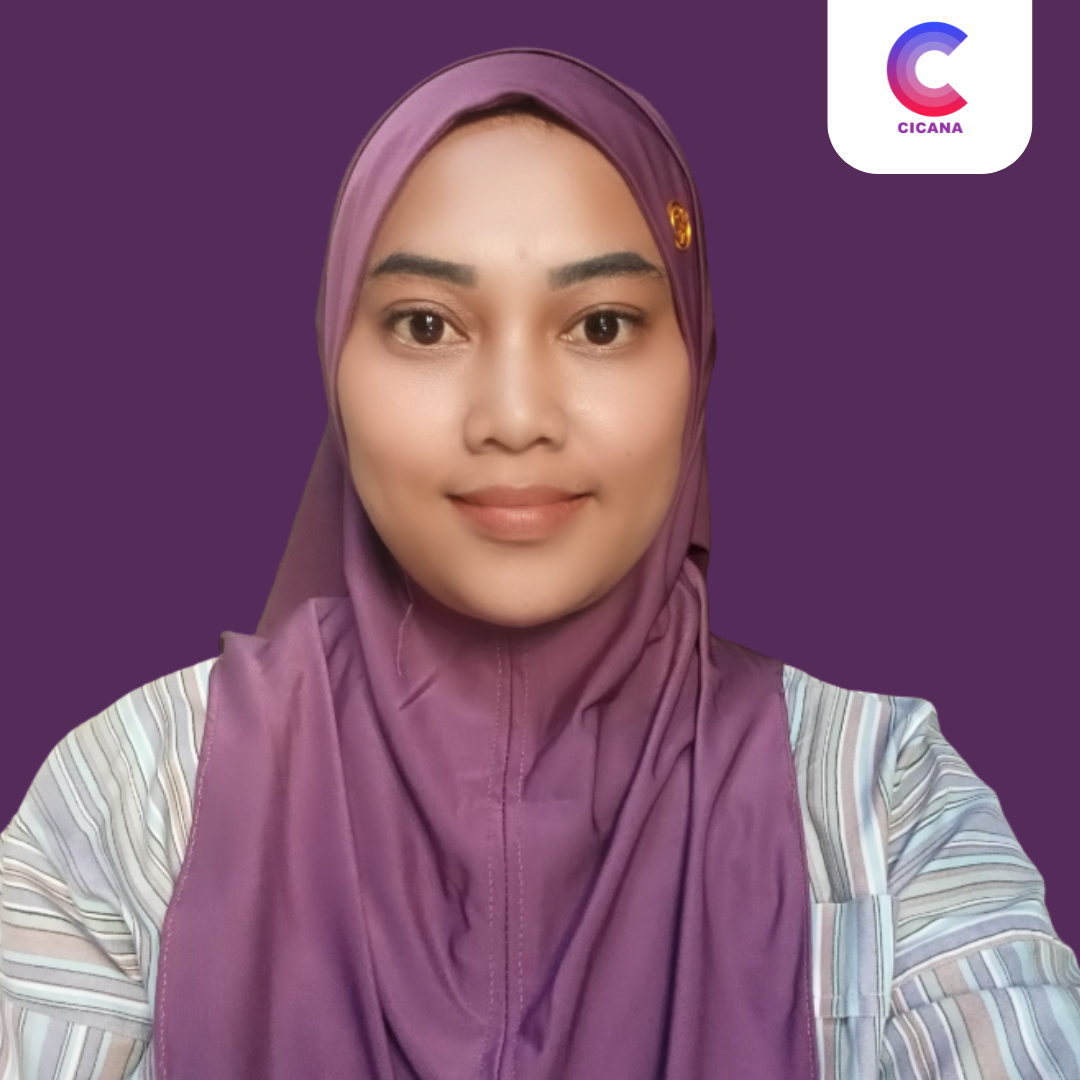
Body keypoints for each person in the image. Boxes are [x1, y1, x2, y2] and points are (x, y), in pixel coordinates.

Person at [1, 48, 1077, 1080]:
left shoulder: (876, 799)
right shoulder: (138, 796)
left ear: (696, 361)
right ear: (335, 362)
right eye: (426, 325)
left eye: (601, 325)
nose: (514, 418)